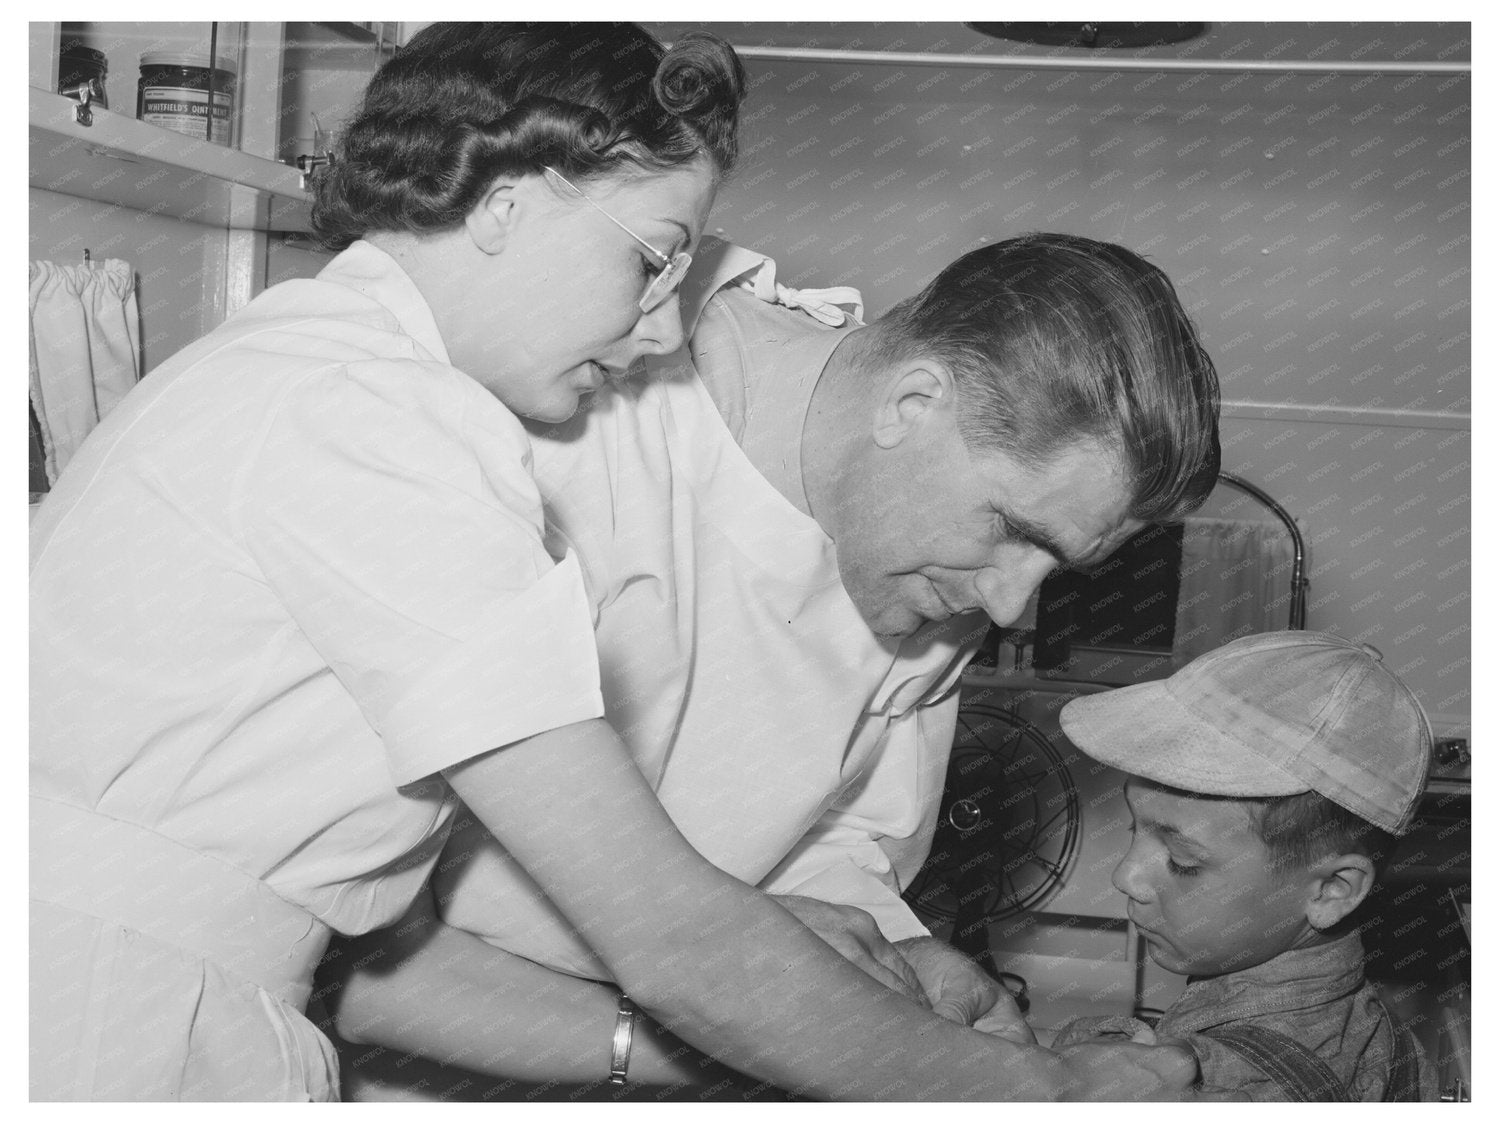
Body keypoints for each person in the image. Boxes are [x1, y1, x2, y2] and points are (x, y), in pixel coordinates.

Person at [29, 23, 1199, 1102]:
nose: (660, 326)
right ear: (503, 204)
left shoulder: (335, 379)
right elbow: (676, 937)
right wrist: (1040, 1095)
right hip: (104, 1009)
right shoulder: (374, 416)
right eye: (653, 258)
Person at [322, 230, 1225, 1099]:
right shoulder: (575, 423)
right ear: (913, 404)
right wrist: (854, 1047)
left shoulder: (936, 562)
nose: (1009, 604)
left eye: (1054, 564)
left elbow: (833, 838)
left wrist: (893, 968)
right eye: (1015, 532)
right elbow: (355, 954)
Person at [1052, 631, 1438, 1100]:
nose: (1125, 877)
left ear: (1332, 889)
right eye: (1136, 829)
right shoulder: (1379, 1036)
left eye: (1182, 860)